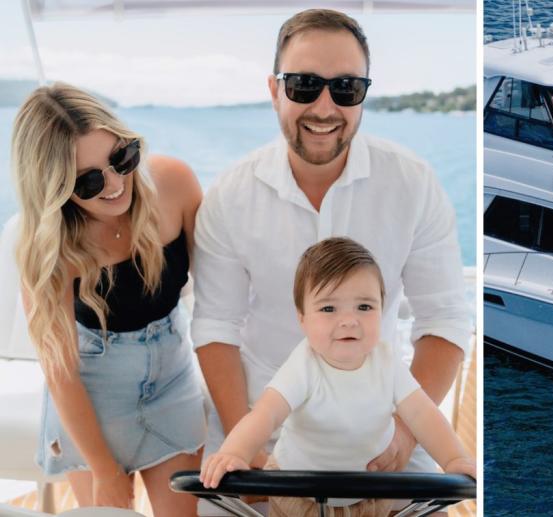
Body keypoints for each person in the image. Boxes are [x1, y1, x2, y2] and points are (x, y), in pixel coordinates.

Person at [190, 9, 473, 510]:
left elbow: (445, 319)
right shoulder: (229, 196)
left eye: (346, 88)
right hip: (257, 429)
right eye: (303, 85)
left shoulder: (413, 183)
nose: (325, 107)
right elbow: (216, 326)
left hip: (383, 435)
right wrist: (246, 444)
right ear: (275, 90)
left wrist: (405, 438)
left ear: (364, 93)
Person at [11, 83, 205, 515]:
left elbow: (221, 300)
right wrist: (103, 469)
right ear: (55, 188)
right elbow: (61, 371)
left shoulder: (174, 184)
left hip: (173, 376)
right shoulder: (48, 247)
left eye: (122, 158)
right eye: (89, 180)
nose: (116, 184)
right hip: (93, 391)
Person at [199, 238, 475, 517]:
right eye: (329, 309)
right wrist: (235, 453)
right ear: (302, 318)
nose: (348, 321)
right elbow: (265, 414)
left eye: (364, 307)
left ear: (383, 309)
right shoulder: (304, 364)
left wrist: (455, 459)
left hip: (370, 494)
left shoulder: (387, 361)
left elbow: (422, 414)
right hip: (298, 493)